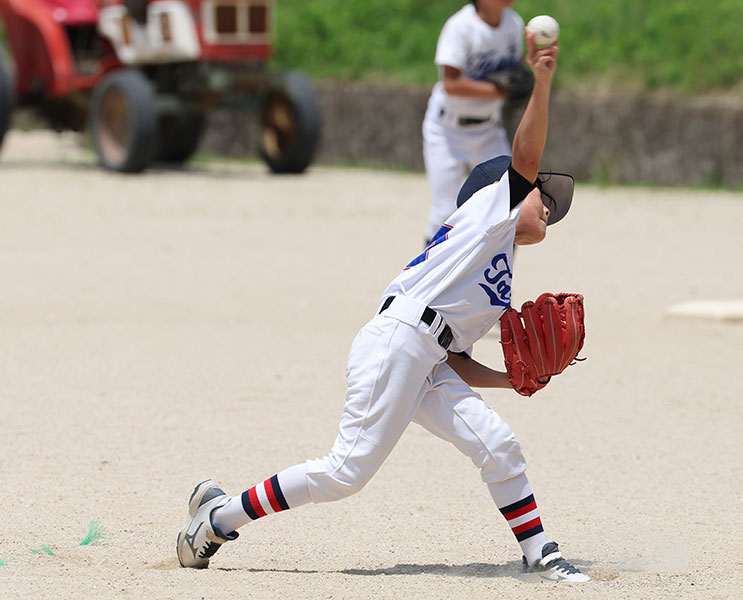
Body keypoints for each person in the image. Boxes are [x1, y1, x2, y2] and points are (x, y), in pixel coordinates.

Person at [176, 31, 588, 583]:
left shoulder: (495, 270)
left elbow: (455, 359)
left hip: (426, 356)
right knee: (346, 472)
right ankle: (217, 517)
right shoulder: (491, 211)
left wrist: (511, 380)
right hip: (397, 341)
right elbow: (525, 155)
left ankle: (540, 551)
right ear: (508, 190)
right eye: (543, 194)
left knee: (499, 445)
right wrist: (541, 83)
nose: (549, 208)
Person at [421, 0, 526, 245]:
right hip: (447, 131)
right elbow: (452, 84)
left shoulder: (513, 23)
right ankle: (428, 281)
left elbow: (516, 70)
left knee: (508, 207)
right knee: (444, 214)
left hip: (489, 129)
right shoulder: (461, 26)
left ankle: (495, 280)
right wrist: (501, 92)